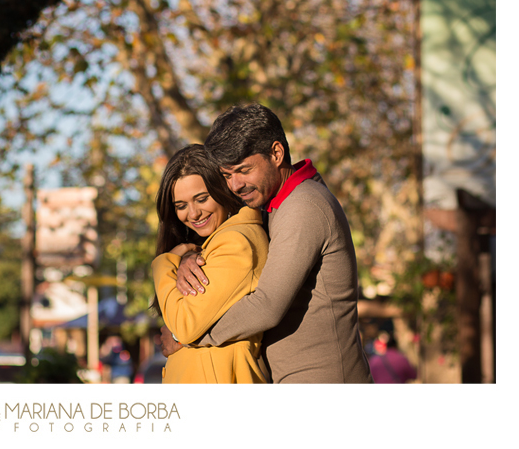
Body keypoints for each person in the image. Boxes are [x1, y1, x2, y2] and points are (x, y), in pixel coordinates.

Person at [162, 104, 373, 383]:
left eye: (243, 170)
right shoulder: (276, 205)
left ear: (276, 153)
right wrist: (191, 254)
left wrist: (187, 334)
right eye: (226, 176)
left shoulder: (304, 205)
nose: (235, 185)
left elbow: (266, 306)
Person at [151, 144, 269, 383]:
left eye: (201, 199)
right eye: (181, 206)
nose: (193, 214)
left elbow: (185, 326)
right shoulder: (213, 245)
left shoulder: (236, 242)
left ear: (222, 189)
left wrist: (165, 264)